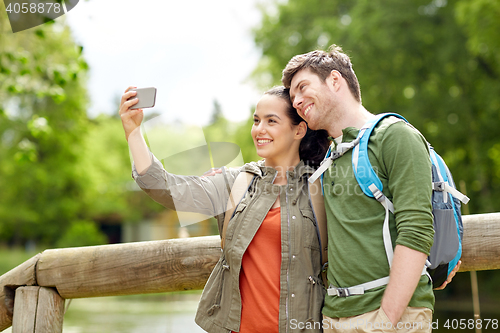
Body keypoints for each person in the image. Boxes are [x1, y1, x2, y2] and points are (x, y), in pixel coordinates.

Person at [119, 85, 330, 332]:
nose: (259, 129)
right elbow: (167, 189)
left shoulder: (323, 187)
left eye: (271, 121)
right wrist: (133, 132)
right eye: (256, 120)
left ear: (299, 129)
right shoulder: (235, 182)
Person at [282, 45, 459, 333]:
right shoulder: (331, 157)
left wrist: (385, 322)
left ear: (335, 81)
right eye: (293, 98)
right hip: (335, 318)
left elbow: (417, 229)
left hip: (392, 317)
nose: (298, 102)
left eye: (303, 88)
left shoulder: (394, 136)